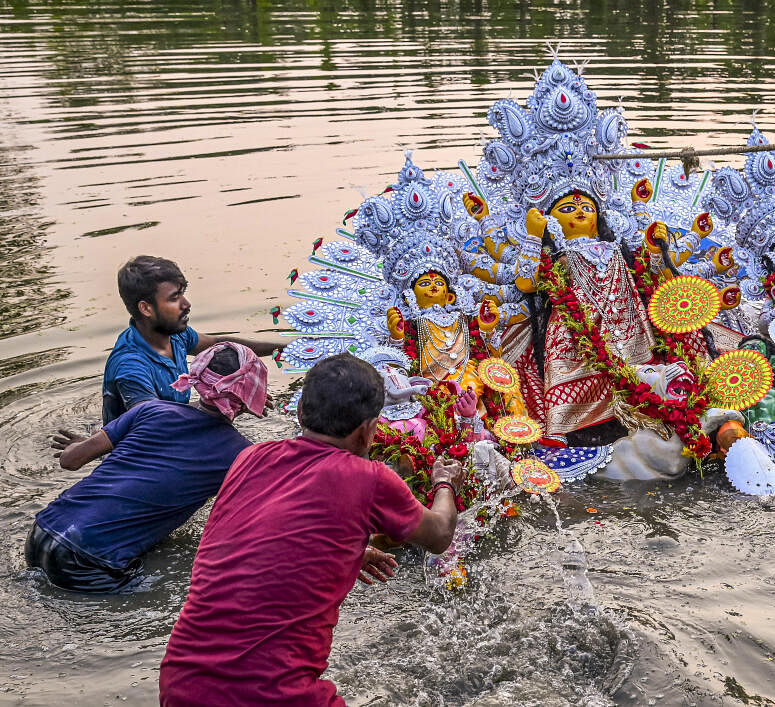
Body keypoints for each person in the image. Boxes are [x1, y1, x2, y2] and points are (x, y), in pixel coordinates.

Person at [159, 353, 465, 706]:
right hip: (269, 693)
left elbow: (244, 541)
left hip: (182, 680)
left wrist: (339, 550)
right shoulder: (369, 478)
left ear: (301, 411)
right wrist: (444, 484)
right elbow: (440, 534)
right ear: (369, 431)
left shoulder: (250, 457)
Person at [29, 343, 267, 593]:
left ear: (197, 377)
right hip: (87, 561)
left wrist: (92, 443)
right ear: (251, 395)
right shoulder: (241, 454)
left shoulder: (150, 410)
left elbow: (70, 460)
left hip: (42, 531)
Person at [103, 255, 281, 424]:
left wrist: (286, 349)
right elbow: (153, 420)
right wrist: (227, 400)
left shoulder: (175, 335)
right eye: (174, 297)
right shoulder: (130, 366)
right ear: (146, 308)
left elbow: (218, 344)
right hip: (143, 450)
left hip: (177, 433)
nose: (186, 304)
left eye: (182, 293)